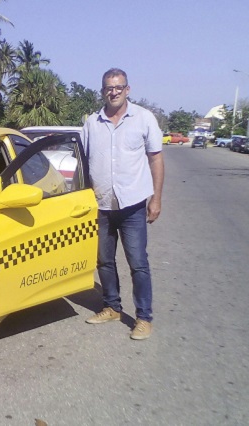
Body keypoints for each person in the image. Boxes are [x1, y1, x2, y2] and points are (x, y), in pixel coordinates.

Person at [81, 68, 164, 340]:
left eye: (118, 87)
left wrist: (156, 198)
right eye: (109, 87)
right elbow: (83, 162)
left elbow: (155, 158)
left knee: (138, 263)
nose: (113, 92)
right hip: (102, 204)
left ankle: (144, 318)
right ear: (102, 91)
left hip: (132, 205)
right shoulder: (92, 123)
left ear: (127, 89)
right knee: (104, 261)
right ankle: (112, 307)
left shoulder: (143, 118)